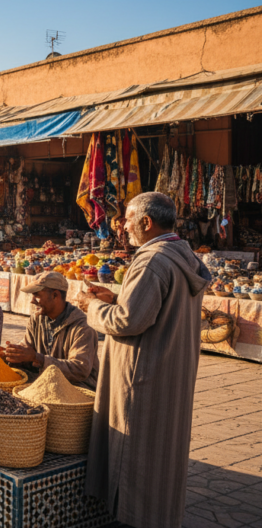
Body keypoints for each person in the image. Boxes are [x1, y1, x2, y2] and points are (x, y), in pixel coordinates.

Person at [75, 192, 209, 528]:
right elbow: (152, 306)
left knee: (136, 458)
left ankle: (134, 518)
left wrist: (91, 306)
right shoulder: (180, 253)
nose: (123, 227)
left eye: (128, 220)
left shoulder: (152, 260)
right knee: (163, 458)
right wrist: (116, 296)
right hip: (171, 374)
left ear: (146, 223)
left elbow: (127, 321)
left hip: (143, 378)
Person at [0, 271, 98, 389]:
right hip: (47, 384)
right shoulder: (37, 319)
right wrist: (9, 354)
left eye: (36, 295)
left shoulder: (83, 327)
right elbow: (27, 351)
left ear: (55, 295)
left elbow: (79, 370)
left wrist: (38, 358)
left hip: (78, 389)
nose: (32, 301)